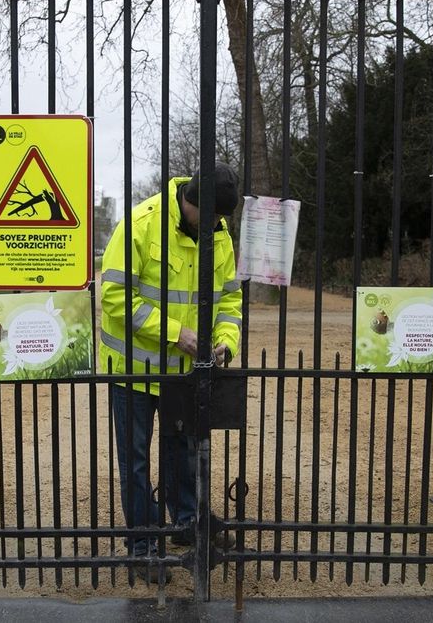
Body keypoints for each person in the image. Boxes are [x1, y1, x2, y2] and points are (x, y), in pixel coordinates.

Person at [98, 161, 243, 579]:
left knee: (184, 452)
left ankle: (185, 525)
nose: (215, 224)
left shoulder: (218, 235)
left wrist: (226, 342)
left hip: (185, 373)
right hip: (135, 370)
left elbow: (230, 301)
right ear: (190, 200)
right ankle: (143, 545)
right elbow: (114, 297)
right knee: (137, 462)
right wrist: (176, 332)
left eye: (221, 218)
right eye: (212, 215)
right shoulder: (142, 224)